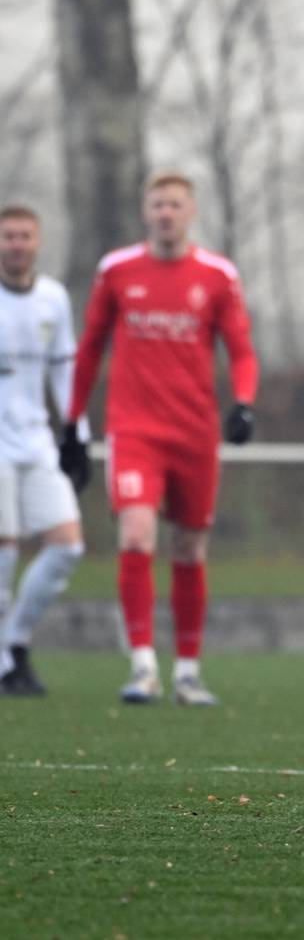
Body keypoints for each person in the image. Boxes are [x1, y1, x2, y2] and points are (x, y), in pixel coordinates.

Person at [62, 172, 258, 706]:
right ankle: (144, 666)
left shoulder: (216, 275)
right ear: (146, 211)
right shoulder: (117, 271)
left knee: (190, 547)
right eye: (158, 204)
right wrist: (72, 420)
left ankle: (188, 671)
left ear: (190, 211)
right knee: (136, 536)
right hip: (134, 431)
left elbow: (241, 349)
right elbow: (89, 349)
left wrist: (243, 401)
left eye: (175, 204)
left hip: (194, 433)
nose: (166, 213)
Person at [0, 205, 87, 695]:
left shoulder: (53, 298)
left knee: (67, 546)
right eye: (8, 236)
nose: (16, 245)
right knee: (4, 554)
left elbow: (64, 369)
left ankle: (15, 643)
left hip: (35, 441)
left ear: (38, 242)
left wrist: (76, 431)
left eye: (24, 237)